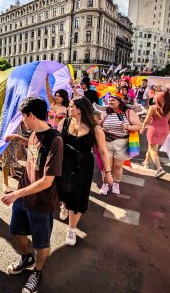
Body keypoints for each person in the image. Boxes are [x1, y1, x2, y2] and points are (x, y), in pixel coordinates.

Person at [2, 97, 63, 293]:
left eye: (23, 116)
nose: (22, 121)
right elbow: (33, 147)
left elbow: (47, 181)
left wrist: (15, 194)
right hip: (24, 197)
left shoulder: (55, 140)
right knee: (17, 232)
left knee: (41, 243)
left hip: (41, 202)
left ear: (32, 115)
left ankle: (37, 271)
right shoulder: (34, 133)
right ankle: (27, 258)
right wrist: (17, 138)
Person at [57, 97, 112, 245]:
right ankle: (63, 205)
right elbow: (56, 144)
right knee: (63, 192)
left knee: (78, 196)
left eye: (71, 106)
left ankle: (71, 229)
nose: (68, 109)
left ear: (80, 109)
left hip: (83, 166)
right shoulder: (63, 123)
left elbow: (103, 151)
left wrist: (108, 173)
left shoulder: (96, 129)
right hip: (64, 164)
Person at [99, 92, 141, 195]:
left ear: (120, 102)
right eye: (109, 100)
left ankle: (116, 184)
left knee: (118, 166)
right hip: (107, 142)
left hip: (122, 143)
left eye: (113, 100)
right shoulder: (106, 112)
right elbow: (99, 125)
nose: (110, 101)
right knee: (106, 166)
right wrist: (98, 123)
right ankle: (105, 184)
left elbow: (138, 126)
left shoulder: (128, 112)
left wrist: (127, 127)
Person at [140, 91, 170, 177]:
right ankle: (146, 162)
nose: (155, 98)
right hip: (165, 130)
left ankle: (159, 168)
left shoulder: (153, 107)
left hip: (154, 129)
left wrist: (143, 128)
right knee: (152, 146)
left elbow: (147, 120)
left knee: (153, 149)